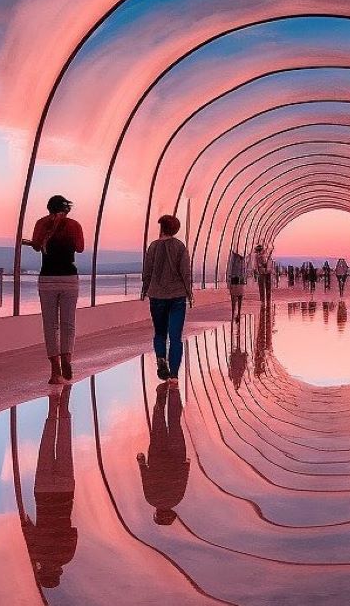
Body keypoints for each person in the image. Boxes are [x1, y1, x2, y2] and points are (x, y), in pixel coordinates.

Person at [22, 194, 85, 384]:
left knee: (50, 325)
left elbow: (36, 246)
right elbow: (80, 248)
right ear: (66, 208)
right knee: (68, 324)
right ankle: (67, 358)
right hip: (69, 278)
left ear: (48, 207)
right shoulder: (74, 225)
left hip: (47, 278)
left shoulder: (41, 223)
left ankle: (54, 369)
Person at [22, 385, 78, 589]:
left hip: (65, 493)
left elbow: (73, 532)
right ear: (42, 571)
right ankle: (52, 405)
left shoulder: (67, 555)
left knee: (64, 444)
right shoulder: (37, 553)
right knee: (46, 444)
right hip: (43, 493)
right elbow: (28, 528)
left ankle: (64, 404)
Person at [140, 214, 193, 384]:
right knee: (175, 336)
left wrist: (145, 288)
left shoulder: (153, 247)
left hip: (156, 295)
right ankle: (174, 375)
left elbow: (147, 271)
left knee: (160, 333)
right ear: (175, 229)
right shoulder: (180, 247)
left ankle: (161, 359)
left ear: (161, 228)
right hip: (177, 296)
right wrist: (189, 292)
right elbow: (185, 272)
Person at [138, 380, 190, 526]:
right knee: (158, 424)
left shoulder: (177, 499)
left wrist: (186, 464)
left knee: (175, 423)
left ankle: (173, 390)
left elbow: (182, 479)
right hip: (157, 458)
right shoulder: (151, 499)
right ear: (158, 513)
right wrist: (141, 462)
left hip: (176, 457)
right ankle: (161, 396)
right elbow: (146, 478)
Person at [226, 249, 247, 322]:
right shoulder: (241, 260)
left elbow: (230, 270)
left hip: (236, 279)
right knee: (238, 297)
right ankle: (237, 312)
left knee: (234, 298)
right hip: (238, 279)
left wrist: (229, 280)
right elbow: (243, 271)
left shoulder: (234, 259)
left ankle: (235, 313)